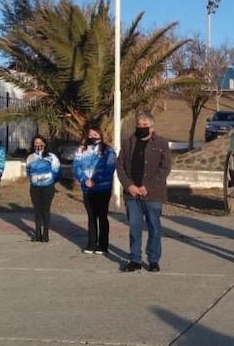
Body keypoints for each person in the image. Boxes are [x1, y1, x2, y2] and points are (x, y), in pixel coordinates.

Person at [116, 112, 171, 273]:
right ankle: (135, 259)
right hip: (132, 195)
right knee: (134, 228)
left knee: (154, 227)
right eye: (139, 125)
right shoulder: (128, 143)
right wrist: (129, 186)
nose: (141, 128)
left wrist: (148, 186)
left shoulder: (161, 143)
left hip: (153, 194)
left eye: (145, 126)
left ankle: (153, 260)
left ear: (152, 127)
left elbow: (164, 168)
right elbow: (120, 166)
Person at [72, 124, 117, 254]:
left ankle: (103, 245)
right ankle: (91, 244)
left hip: (103, 188)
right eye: (90, 135)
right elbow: (76, 166)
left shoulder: (108, 150)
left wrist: (95, 180)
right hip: (87, 188)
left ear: (101, 135)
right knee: (91, 216)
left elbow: (110, 167)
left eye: (95, 134)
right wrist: (84, 180)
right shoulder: (81, 150)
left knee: (102, 216)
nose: (92, 137)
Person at [25, 135, 61, 243]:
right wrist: (34, 180)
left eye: (40, 143)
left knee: (45, 210)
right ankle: (37, 233)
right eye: (36, 143)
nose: (38, 145)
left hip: (48, 187)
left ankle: (45, 233)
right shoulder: (30, 157)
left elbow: (57, 171)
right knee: (37, 211)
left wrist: (49, 181)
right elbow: (28, 172)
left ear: (45, 144)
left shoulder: (51, 157)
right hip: (35, 188)